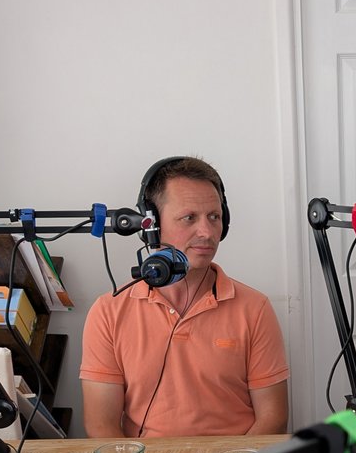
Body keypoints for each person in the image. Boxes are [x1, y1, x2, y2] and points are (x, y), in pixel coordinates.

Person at [80, 156, 289, 437]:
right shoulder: (108, 311)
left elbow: (273, 419)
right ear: (152, 225)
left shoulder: (255, 308)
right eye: (189, 218)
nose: (206, 232)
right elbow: (101, 425)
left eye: (214, 217)